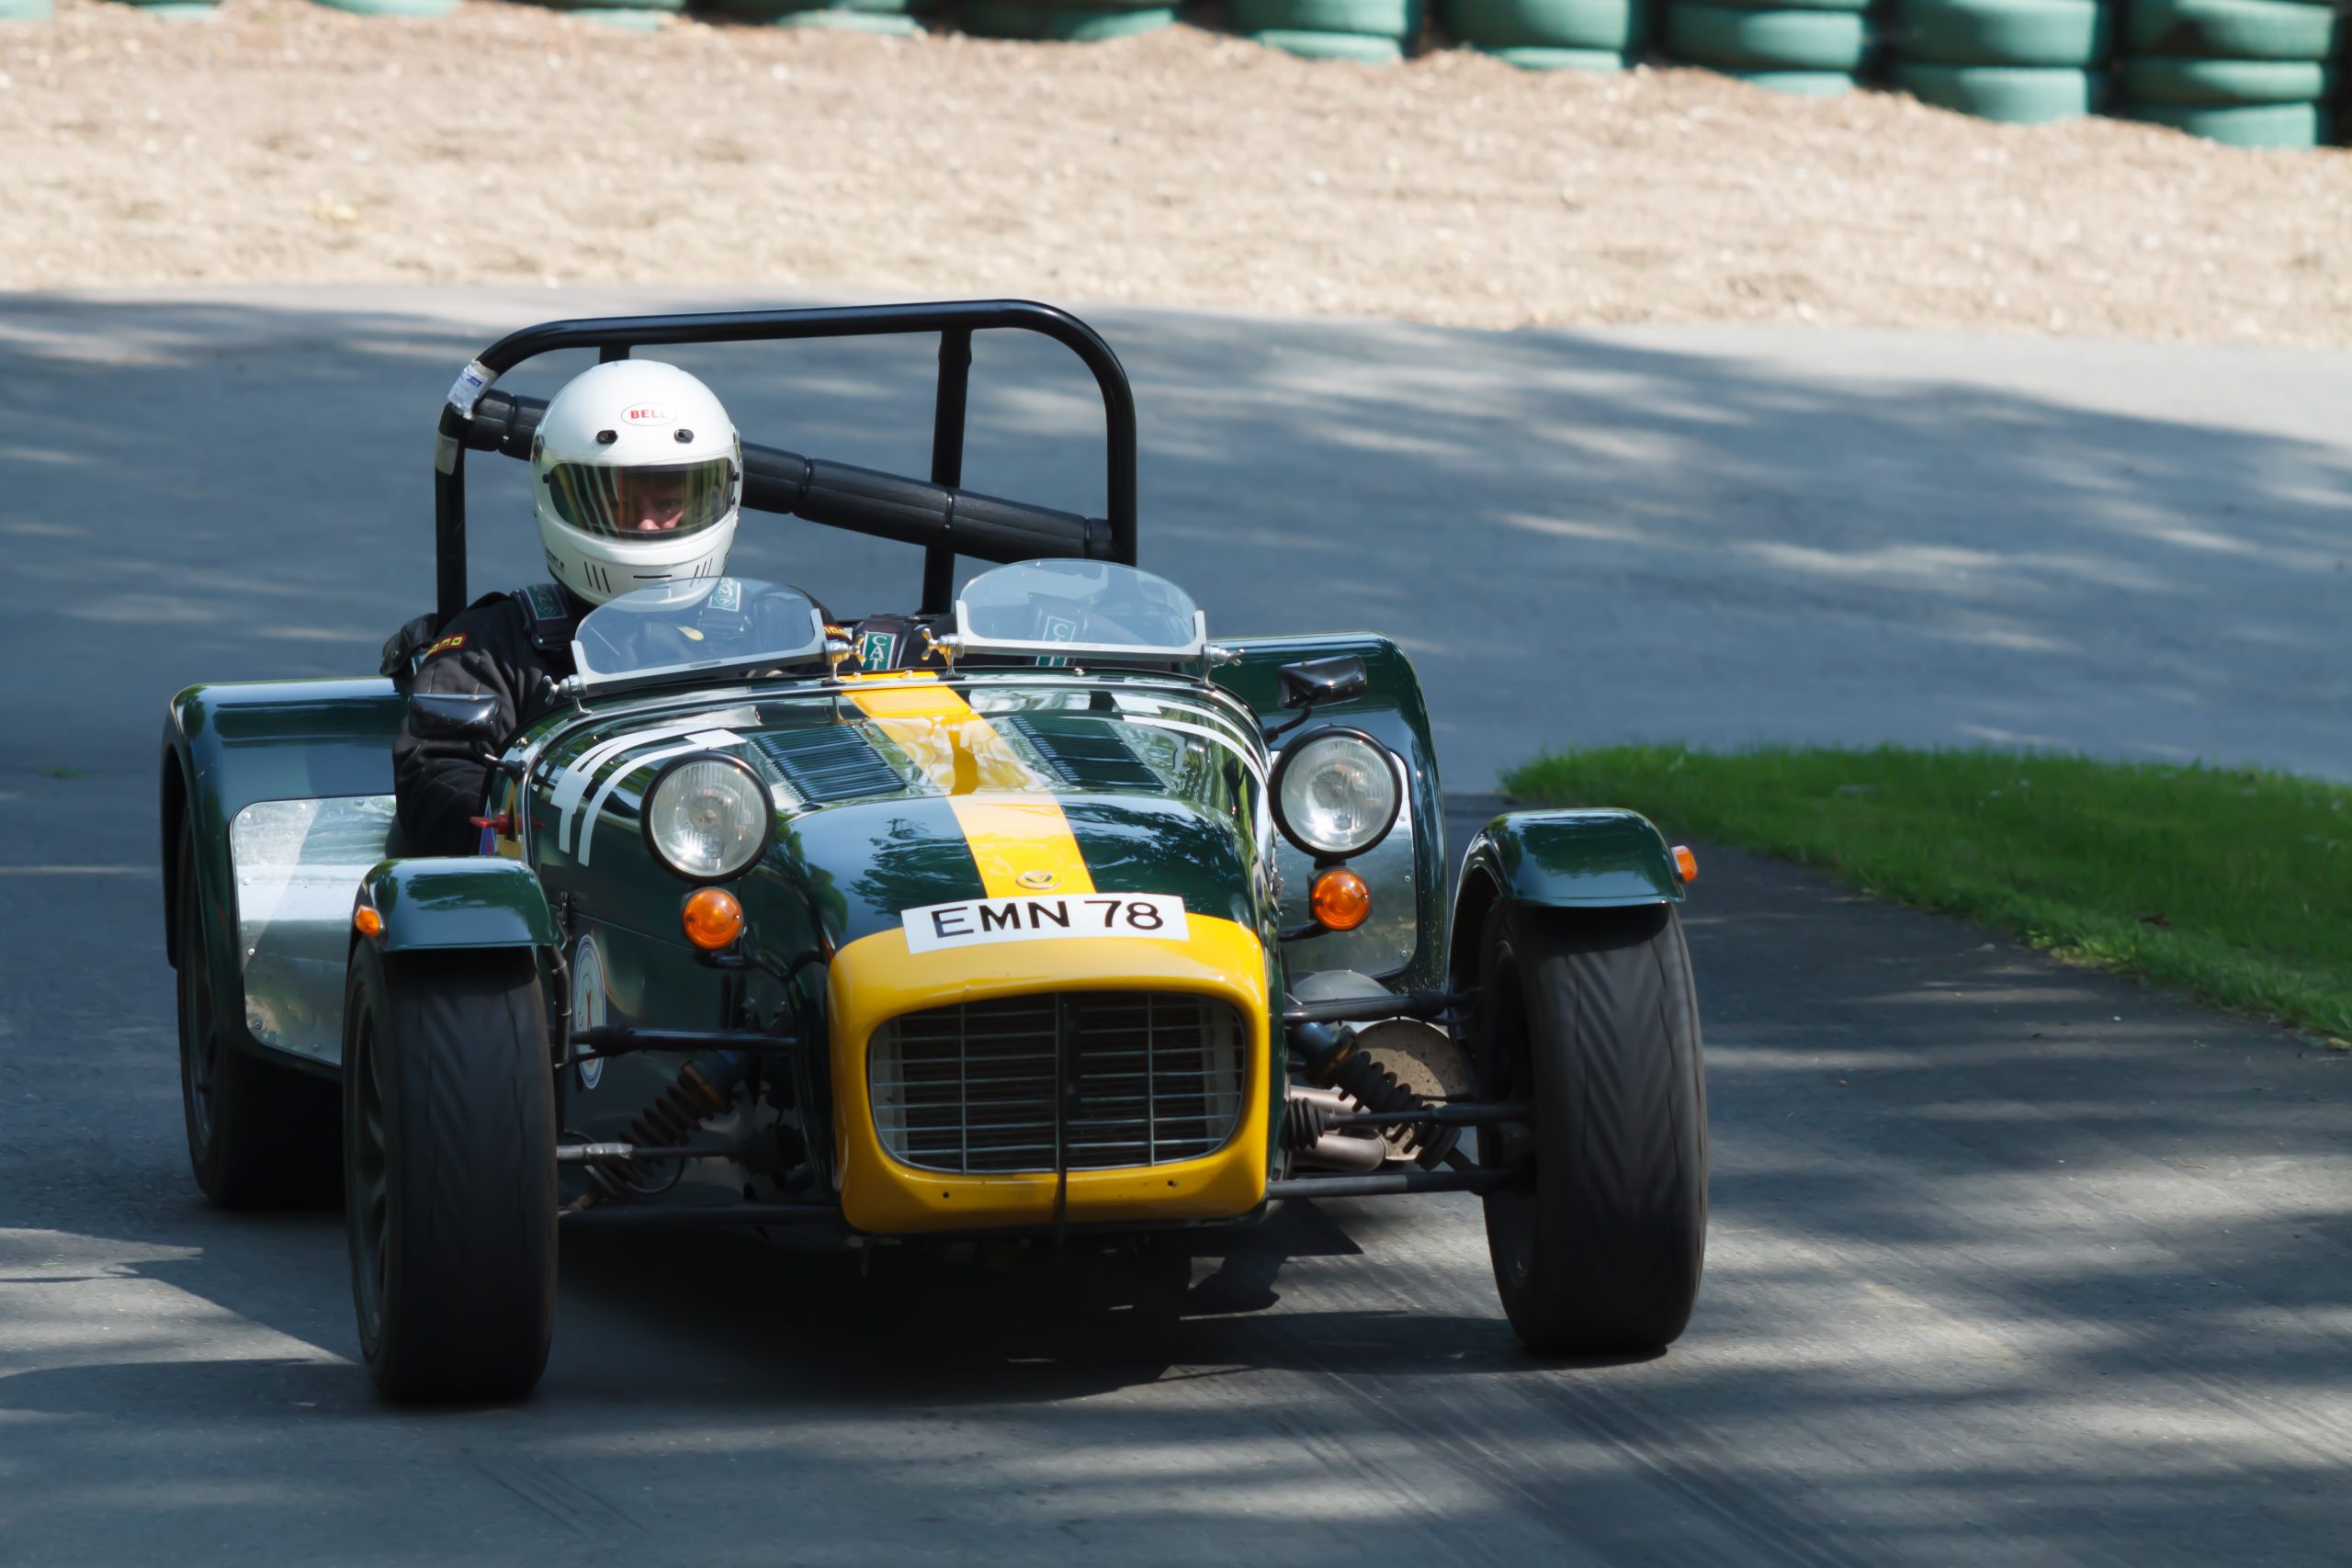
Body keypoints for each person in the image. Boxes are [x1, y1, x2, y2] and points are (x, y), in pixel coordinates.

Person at [390, 358, 743, 855]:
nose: (645, 527)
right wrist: (544, 824)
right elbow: (436, 773)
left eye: (666, 505)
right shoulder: (494, 646)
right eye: (618, 504)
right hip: (575, 898)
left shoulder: (772, 626)